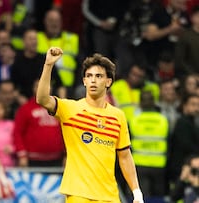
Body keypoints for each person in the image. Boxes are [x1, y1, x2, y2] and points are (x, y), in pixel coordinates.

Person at [36, 47, 143, 203]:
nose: (93, 80)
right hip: (79, 193)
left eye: (99, 76)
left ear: (108, 81)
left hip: (109, 195)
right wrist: (48, 65)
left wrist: (136, 191)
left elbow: (125, 156)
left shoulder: (117, 116)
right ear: (84, 81)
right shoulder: (70, 109)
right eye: (89, 76)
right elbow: (42, 99)